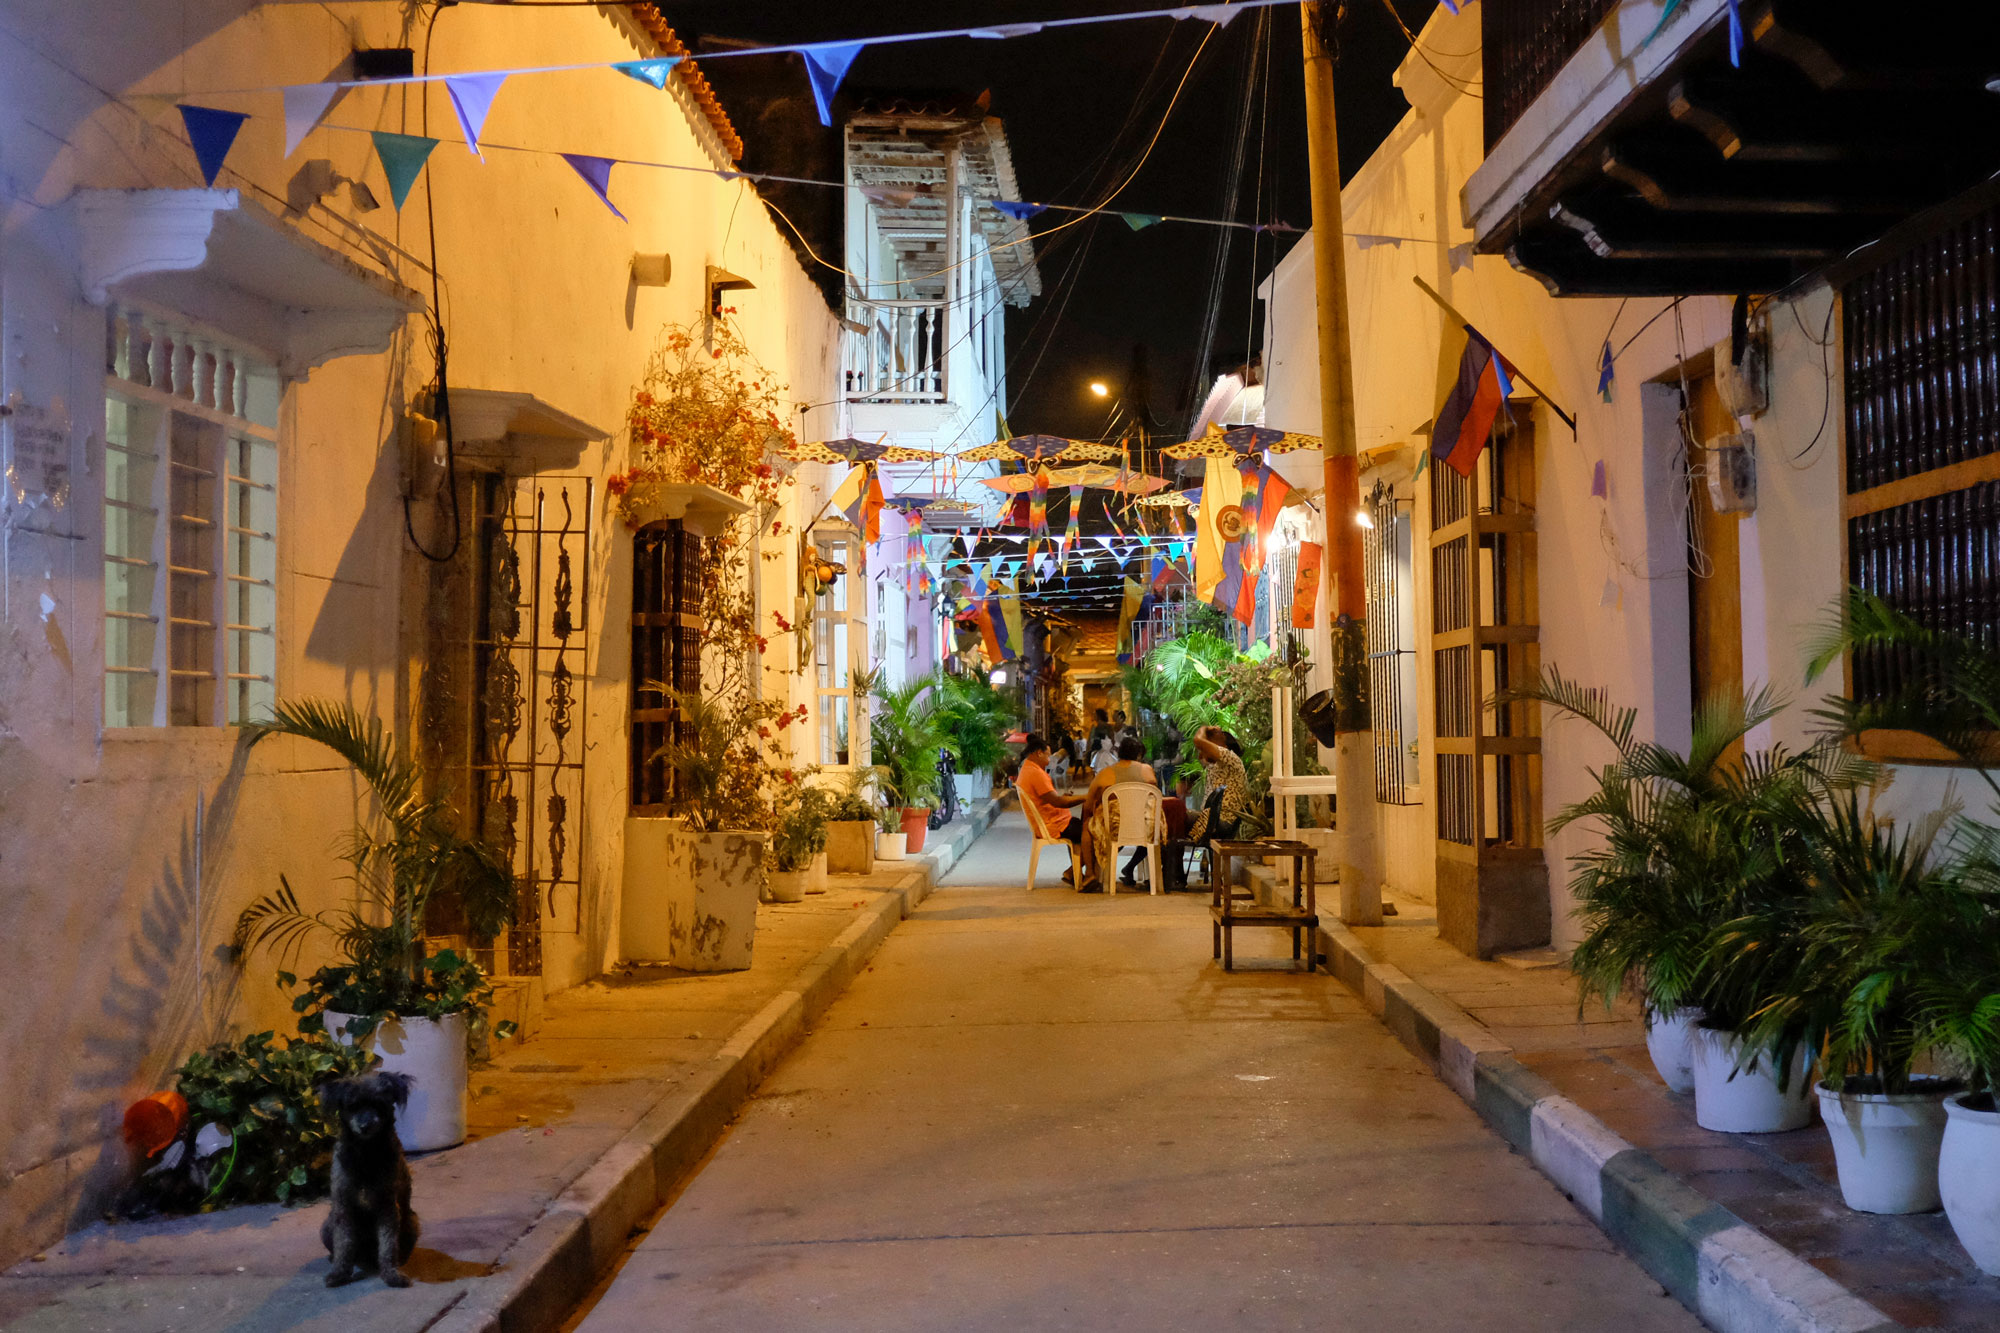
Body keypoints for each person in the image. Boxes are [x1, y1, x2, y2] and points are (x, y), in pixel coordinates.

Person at [1080, 737, 1157, 889]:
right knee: (1155, 826)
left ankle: (1090, 873)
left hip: (1113, 828)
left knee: (1087, 826)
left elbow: (1088, 805)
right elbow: (1155, 794)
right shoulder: (1147, 771)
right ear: (1139, 755)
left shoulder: (1105, 774)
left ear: (1119, 753)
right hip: (1146, 827)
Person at [1014, 732, 1088, 885]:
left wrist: (1066, 797)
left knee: (1081, 826)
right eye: (1047, 757)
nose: (1049, 761)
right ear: (1039, 753)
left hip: (1052, 820)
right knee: (1092, 833)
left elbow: (1050, 797)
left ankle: (1075, 872)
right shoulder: (1035, 773)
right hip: (1053, 824)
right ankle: (1077, 872)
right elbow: (1058, 802)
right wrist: (1084, 798)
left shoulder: (1029, 768)